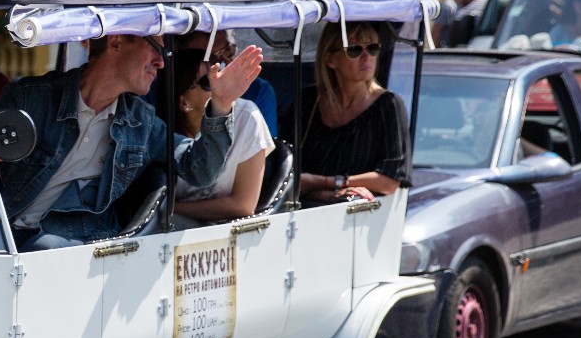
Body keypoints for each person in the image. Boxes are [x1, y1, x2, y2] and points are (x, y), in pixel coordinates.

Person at [0, 33, 258, 247]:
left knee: (46, 246)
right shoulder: (29, 98)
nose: (161, 62)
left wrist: (221, 105)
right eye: (156, 47)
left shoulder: (141, 121)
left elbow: (200, 171)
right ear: (116, 41)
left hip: (79, 246)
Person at [297, 22, 409, 205]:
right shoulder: (307, 102)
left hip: (361, 217)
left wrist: (326, 183)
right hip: (303, 212)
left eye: (372, 48)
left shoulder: (389, 105)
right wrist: (327, 195)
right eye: (354, 49)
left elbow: (389, 180)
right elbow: (290, 174)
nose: (366, 57)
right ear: (330, 59)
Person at [170, 44, 274, 226]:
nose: (219, 82)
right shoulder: (160, 132)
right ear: (184, 102)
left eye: (221, 72)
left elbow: (243, 205)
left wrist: (170, 210)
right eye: (207, 82)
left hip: (229, 235)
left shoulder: (246, 116)